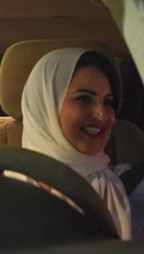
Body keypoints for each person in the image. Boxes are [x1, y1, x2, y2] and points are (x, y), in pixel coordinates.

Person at [20, 47, 132, 240]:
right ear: (46, 105)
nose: (102, 114)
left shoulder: (135, 190)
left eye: (108, 101)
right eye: (84, 99)